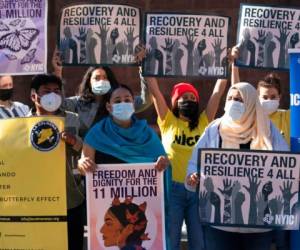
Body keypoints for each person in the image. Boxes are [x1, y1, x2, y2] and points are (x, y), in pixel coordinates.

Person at [186, 82, 289, 250]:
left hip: (258, 222)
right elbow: (194, 162)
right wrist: (193, 176)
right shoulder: (215, 129)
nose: (234, 103)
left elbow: (283, 162)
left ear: (250, 102)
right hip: (219, 222)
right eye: (230, 98)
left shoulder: (267, 129)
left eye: (240, 100)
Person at [78, 84, 170, 249]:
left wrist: (163, 162)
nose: (123, 103)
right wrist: (82, 163)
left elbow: (163, 163)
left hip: (143, 203)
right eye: (117, 100)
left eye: (127, 100)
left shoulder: (146, 133)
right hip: (107, 205)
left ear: (134, 104)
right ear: (108, 106)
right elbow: (84, 164)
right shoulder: (96, 134)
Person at [146, 77, 228, 250]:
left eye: (193, 98)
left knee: (199, 243)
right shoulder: (168, 121)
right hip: (172, 190)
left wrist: (226, 65)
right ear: (176, 102)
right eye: (184, 98)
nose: (189, 101)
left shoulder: (205, 121)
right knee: (171, 241)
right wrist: (144, 66)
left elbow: (217, 93)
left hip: (199, 191)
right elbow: (154, 91)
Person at [29, 74, 85, 250]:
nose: (52, 95)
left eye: (56, 91)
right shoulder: (22, 124)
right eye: (46, 91)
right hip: (37, 201)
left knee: (73, 244)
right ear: (34, 96)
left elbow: (90, 151)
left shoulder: (73, 119)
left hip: (71, 199)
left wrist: (75, 142)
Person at [52, 50, 153, 138]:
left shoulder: (120, 101)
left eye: (105, 77)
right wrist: (58, 71)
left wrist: (142, 68)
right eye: (97, 78)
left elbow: (146, 101)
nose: (101, 81)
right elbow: (59, 104)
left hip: (115, 151)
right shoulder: (80, 102)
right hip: (88, 153)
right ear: (89, 82)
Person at [230, 46, 290, 145]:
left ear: (280, 97)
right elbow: (237, 91)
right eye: (265, 97)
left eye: (273, 97)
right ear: (258, 98)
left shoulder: (288, 117)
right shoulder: (251, 116)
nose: (269, 100)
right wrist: (234, 65)